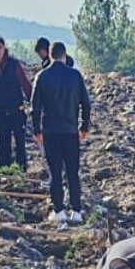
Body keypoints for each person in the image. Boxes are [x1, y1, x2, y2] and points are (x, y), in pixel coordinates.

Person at [31, 40, 92, 223]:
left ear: (50, 56)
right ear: (64, 55)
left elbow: (35, 107)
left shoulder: (42, 76)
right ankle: (76, 211)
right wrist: (84, 127)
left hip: (50, 132)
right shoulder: (75, 76)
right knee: (73, 172)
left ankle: (59, 211)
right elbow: (86, 104)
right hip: (71, 131)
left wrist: (37, 130)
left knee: (55, 173)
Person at [0, 37, 32, 171]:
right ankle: (5, 173)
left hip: (17, 110)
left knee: (20, 144)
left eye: (0, 47)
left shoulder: (14, 65)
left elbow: (25, 84)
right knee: (3, 145)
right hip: (1, 112)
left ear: (4, 48)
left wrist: (33, 102)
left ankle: (21, 173)